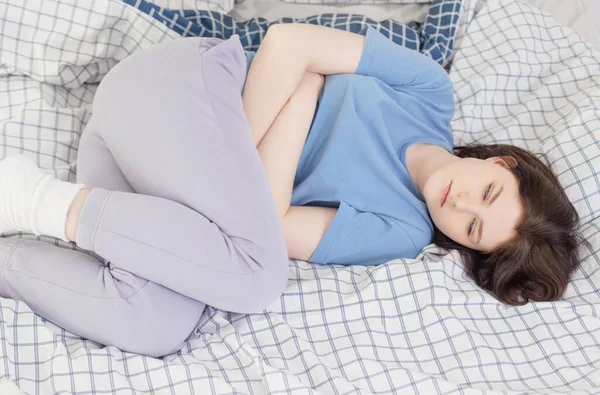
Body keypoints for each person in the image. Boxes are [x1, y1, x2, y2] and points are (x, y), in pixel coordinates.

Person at [0, 24, 584, 357]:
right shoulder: (428, 91)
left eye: (472, 228)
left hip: (137, 168)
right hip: (178, 93)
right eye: (487, 192)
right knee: (257, 277)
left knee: (155, 323)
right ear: (503, 163)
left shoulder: (402, 231)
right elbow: (285, 44)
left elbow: (273, 223)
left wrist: (304, 99)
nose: (459, 204)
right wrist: (229, 152)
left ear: (465, 246)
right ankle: (27, 198)